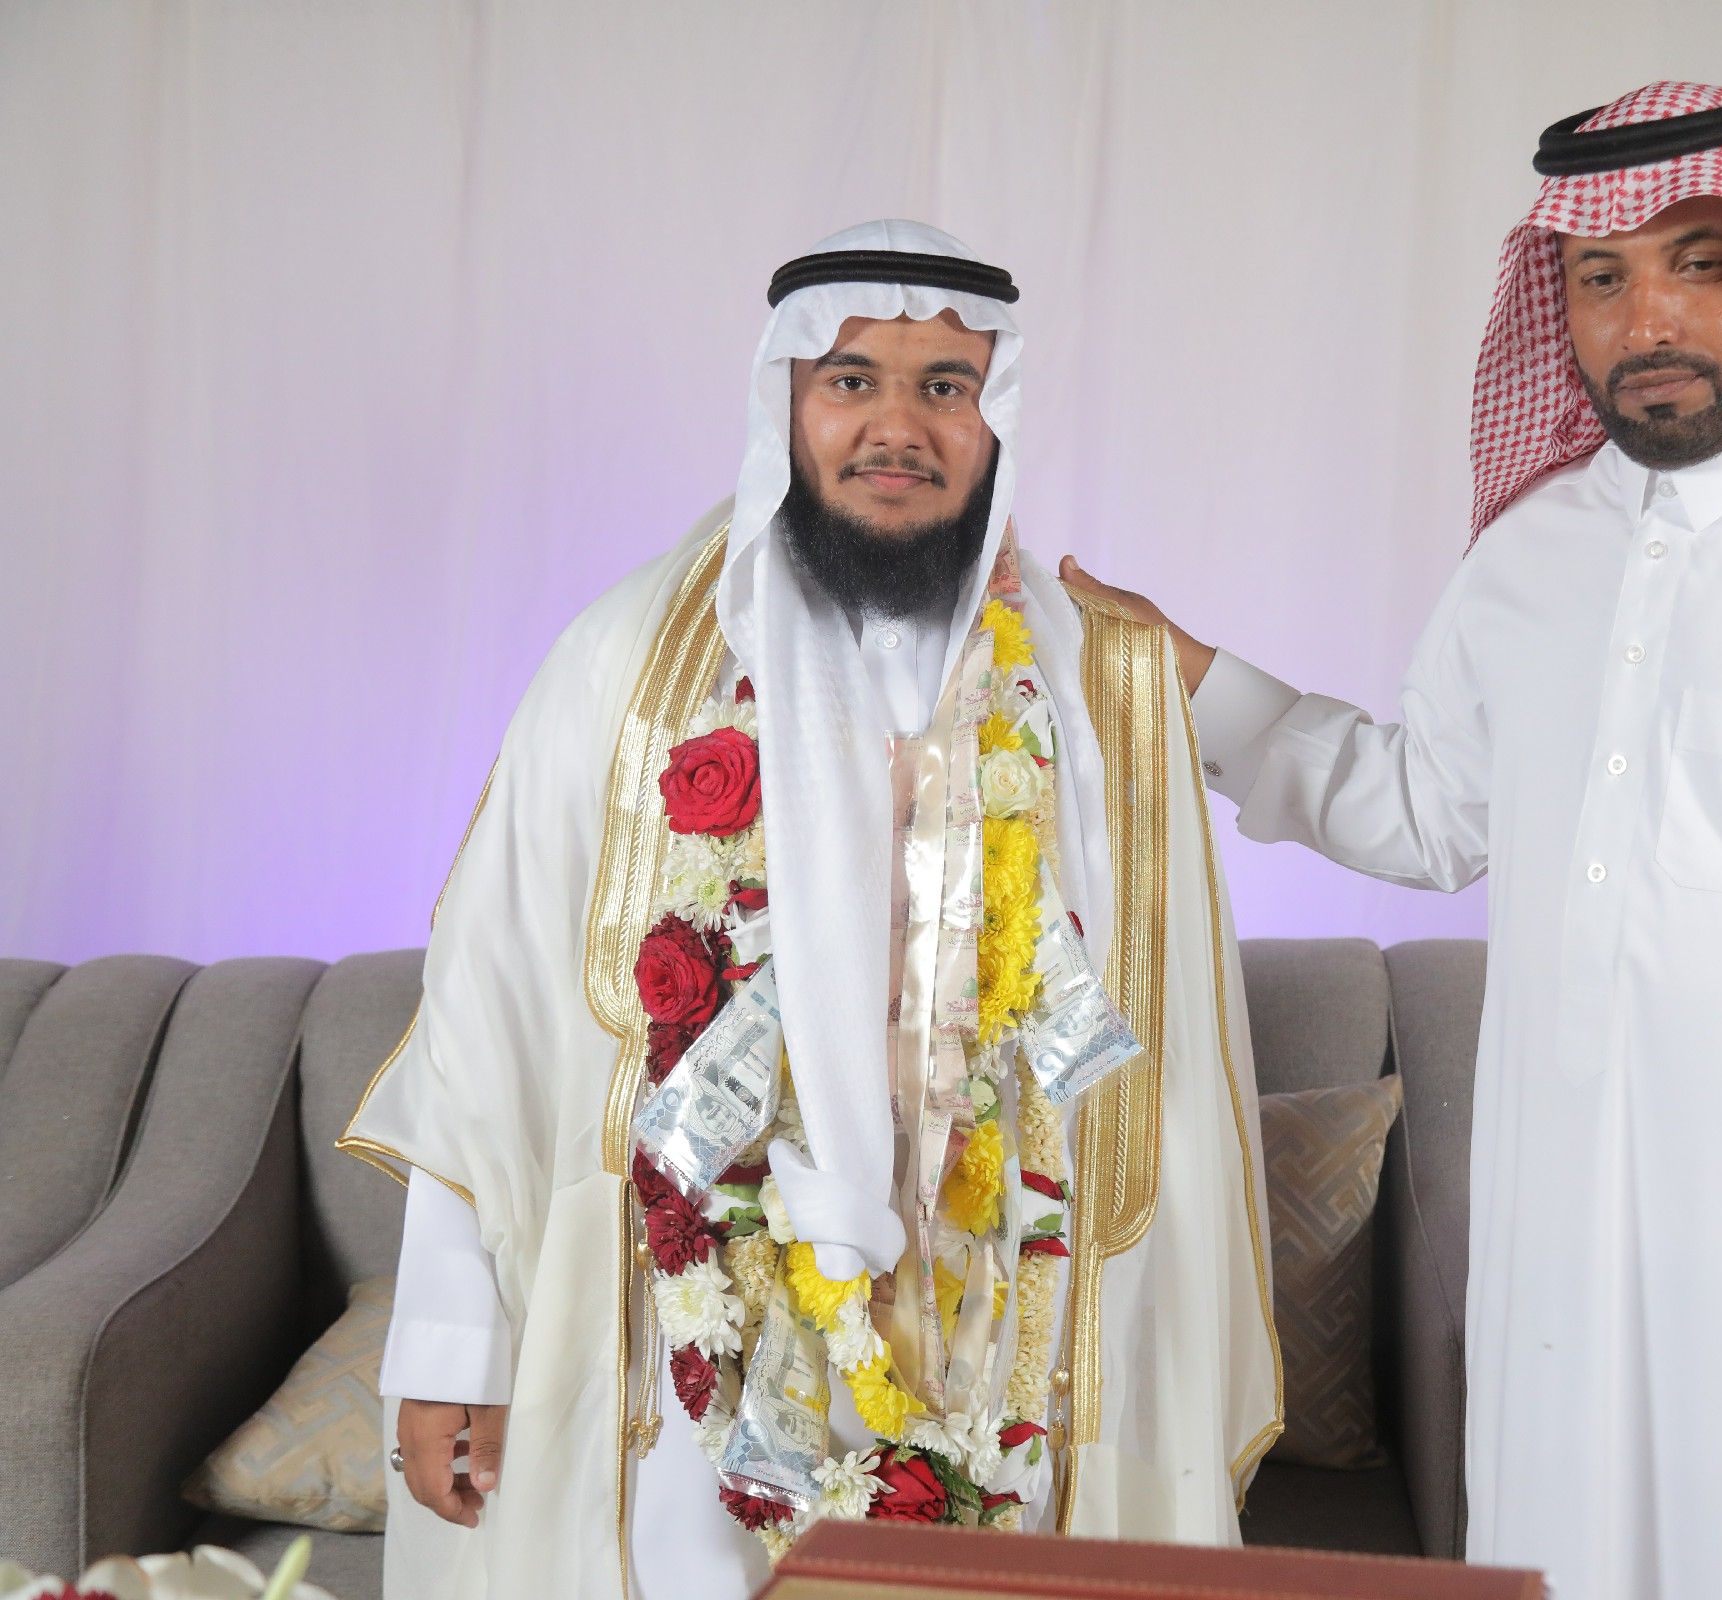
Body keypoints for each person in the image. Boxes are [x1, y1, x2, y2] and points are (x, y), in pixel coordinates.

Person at [1064, 83, 1722, 1599]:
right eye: (1602, 275)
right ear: (1555, 302)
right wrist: (1187, 679)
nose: (1650, 319)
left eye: (1700, 262)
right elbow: (1423, 812)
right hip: (1560, 1288)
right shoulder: (1527, 560)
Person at [341, 220, 1280, 1600]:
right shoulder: (622, 667)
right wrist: (447, 1344)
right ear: (783, 402)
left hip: (1004, 1323)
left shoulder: (1094, 690)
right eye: (851, 381)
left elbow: (1170, 1072)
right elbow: (491, 1018)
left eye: (944, 387)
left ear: (995, 417)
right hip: (693, 1330)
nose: (897, 426)